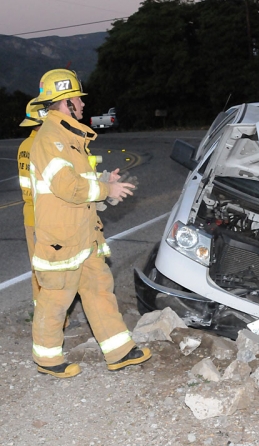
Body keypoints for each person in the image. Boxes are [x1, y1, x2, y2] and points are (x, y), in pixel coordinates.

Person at [29, 68, 151, 378]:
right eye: (77, 100)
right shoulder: (50, 138)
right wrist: (107, 190)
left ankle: (120, 352)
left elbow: (79, 183)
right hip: (62, 239)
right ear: (65, 103)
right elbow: (66, 187)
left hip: (83, 235)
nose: (83, 105)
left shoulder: (69, 138)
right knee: (56, 297)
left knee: (99, 288)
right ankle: (47, 358)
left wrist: (103, 182)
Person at [17, 99, 48, 304]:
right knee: (49, 271)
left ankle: (40, 315)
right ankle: (53, 321)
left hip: (30, 215)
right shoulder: (44, 145)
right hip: (45, 217)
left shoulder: (24, 145)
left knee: (37, 268)